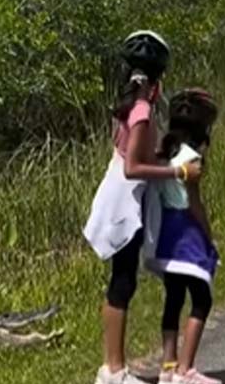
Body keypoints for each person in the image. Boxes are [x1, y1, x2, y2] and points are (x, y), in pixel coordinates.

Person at [84, 31, 203, 384]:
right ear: (157, 80)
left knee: (122, 281)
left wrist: (160, 155)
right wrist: (177, 170)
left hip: (123, 196)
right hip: (125, 200)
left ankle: (113, 367)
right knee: (122, 282)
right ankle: (114, 370)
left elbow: (128, 152)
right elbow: (132, 167)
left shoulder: (127, 105)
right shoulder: (143, 110)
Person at [143, 88, 221, 384]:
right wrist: (208, 235)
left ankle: (168, 366)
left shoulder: (163, 153)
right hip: (186, 229)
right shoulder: (193, 159)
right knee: (201, 298)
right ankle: (186, 369)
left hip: (164, 231)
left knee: (174, 298)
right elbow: (195, 203)